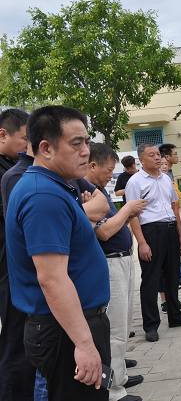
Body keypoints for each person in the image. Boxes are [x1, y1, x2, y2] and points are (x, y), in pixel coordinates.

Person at [5, 105, 111, 400]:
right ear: (46, 148)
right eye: (76, 144)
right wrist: (85, 344)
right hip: (65, 331)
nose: (86, 151)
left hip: (72, 325)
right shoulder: (43, 195)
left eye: (87, 142)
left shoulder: (54, 186)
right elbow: (52, 279)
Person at [85, 143, 148, 401]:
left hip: (122, 261)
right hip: (109, 264)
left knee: (124, 323)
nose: (112, 176)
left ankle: (119, 376)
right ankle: (112, 391)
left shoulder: (98, 192)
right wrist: (127, 210)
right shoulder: (86, 194)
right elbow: (104, 231)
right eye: (109, 170)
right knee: (113, 329)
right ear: (92, 166)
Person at [125, 143, 181, 343]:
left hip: (170, 229)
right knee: (150, 279)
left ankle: (175, 316)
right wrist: (142, 243)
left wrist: (180, 234)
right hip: (151, 232)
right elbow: (133, 214)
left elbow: (174, 207)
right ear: (141, 160)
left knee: (172, 275)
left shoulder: (166, 179)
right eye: (152, 155)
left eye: (158, 154)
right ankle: (150, 325)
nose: (158, 158)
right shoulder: (135, 182)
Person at [0, 109, 30, 401]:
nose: (27, 146)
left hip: (15, 266)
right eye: (24, 139)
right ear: (3, 135)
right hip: (7, 270)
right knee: (14, 341)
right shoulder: (8, 176)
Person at [158, 157, 181, 313]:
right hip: (159, 229)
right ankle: (164, 300)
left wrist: (179, 221)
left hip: (173, 226)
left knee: (173, 265)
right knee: (161, 267)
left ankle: (174, 299)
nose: (164, 166)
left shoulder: (172, 184)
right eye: (161, 164)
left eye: (166, 164)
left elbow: (179, 207)